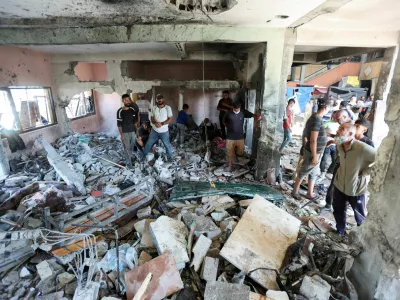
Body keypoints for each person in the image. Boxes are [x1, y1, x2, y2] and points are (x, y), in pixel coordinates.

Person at [332, 123, 376, 236]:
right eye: (339, 128)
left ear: (351, 134)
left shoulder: (362, 148)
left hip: (356, 188)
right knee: (338, 210)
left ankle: (362, 237)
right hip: (340, 183)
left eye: (342, 129)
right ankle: (340, 231)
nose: (338, 130)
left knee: (359, 215)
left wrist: (366, 172)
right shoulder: (340, 144)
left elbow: (381, 160)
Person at [292, 98, 331, 200]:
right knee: (304, 171)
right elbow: (313, 140)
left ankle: (310, 193)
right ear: (326, 107)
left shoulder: (316, 117)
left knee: (313, 172)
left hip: (317, 151)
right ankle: (295, 191)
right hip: (314, 152)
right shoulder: (317, 119)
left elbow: (309, 133)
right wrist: (314, 156)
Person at [223, 101, 260, 171]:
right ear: (232, 107)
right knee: (229, 151)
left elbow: (252, 115)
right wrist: (229, 127)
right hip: (230, 136)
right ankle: (230, 166)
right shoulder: (228, 113)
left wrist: (258, 117)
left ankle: (238, 164)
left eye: (237, 109)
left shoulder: (243, 112)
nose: (236, 110)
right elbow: (224, 121)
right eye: (235, 109)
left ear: (240, 107)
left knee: (240, 152)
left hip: (240, 136)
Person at [143, 94, 174, 160]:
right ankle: (144, 156)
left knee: (167, 145)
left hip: (164, 131)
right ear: (156, 100)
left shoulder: (167, 108)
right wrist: (155, 122)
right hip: (154, 130)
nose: (159, 100)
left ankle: (169, 157)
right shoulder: (154, 108)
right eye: (158, 99)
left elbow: (170, 119)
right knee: (149, 143)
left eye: (161, 98)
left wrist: (162, 123)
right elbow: (152, 118)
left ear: (163, 99)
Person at [117, 94, 140, 168]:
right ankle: (129, 163)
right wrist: (122, 135)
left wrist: (136, 131)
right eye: (126, 100)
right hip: (125, 132)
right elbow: (119, 125)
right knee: (127, 148)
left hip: (132, 132)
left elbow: (134, 122)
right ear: (123, 101)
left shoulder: (132, 110)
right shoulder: (120, 111)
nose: (128, 101)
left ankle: (131, 161)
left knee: (132, 147)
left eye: (129, 100)